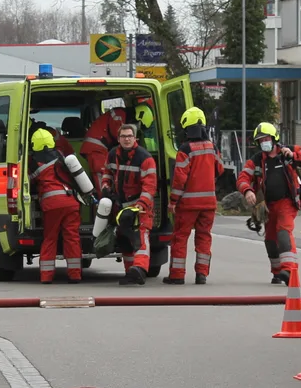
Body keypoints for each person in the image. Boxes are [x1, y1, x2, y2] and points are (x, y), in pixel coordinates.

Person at [236, 122, 301, 285]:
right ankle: (277, 272)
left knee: (283, 232)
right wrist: (247, 191)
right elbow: (242, 178)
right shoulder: (257, 160)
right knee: (270, 239)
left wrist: (295, 156)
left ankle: (289, 269)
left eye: (266, 138)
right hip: (268, 206)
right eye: (260, 140)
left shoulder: (287, 151)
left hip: (287, 202)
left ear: (274, 138)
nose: (263, 142)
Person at [165, 107, 223, 285]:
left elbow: (179, 179)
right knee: (204, 237)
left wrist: (173, 201)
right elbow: (220, 169)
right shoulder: (213, 147)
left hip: (188, 205)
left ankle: (177, 274)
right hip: (209, 204)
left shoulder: (185, 149)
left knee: (180, 237)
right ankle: (202, 274)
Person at [99, 123, 157, 285]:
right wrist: (105, 187)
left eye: (129, 136)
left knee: (140, 239)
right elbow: (107, 174)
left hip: (140, 208)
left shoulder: (144, 158)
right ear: (118, 139)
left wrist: (140, 205)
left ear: (135, 138)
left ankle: (139, 269)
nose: (126, 139)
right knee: (124, 239)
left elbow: (150, 186)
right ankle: (130, 272)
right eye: (123, 136)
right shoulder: (112, 155)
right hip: (121, 207)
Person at [29, 127, 83, 284]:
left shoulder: (34, 163)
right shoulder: (61, 156)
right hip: (71, 202)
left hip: (52, 205)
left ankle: (46, 276)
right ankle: (75, 274)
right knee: (72, 238)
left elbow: (29, 182)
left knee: (50, 238)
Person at [80, 106, 127, 180]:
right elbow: (117, 134)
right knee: (103, 176)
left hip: (97, 147)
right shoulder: (119, 114)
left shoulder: (118, 114)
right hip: (96, 149)